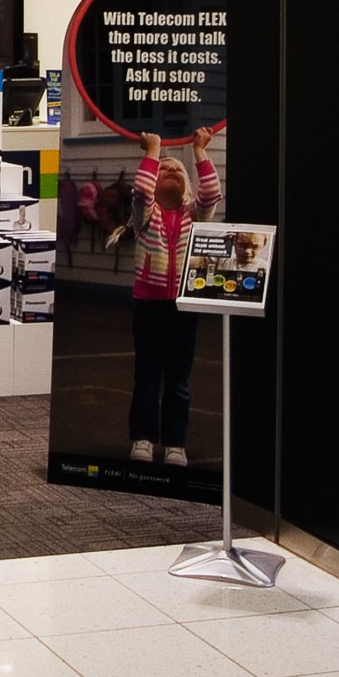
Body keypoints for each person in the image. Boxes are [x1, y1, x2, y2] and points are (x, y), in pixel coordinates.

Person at [117, 127, 221, 468]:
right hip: (149, 306)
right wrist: (153, 151)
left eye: (178, 169)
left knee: (179, 381)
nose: (172, 170)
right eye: (164, 169)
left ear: (187, 187)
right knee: (146, 377)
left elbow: (211, 194)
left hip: (183, 307)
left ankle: (175, 443)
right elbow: (141, 193)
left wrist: (200, 152)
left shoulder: (195, 215)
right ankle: (143, 439)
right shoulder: (145, 216)